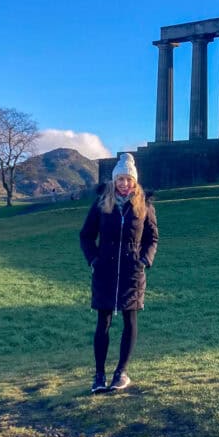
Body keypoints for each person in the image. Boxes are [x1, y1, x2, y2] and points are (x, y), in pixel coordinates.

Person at [80, 153, 158, 393]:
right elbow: (86, 235)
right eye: (120, 179)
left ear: (134, 181)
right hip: (105, 271)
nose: (124, 183)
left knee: (129, 320)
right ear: (114, 180)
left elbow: (152, 237)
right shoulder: (102, 202)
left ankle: (120, 373)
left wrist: (144, 260)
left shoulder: (144, 204)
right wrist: (94, 260)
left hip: (131, 272)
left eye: (127, 178)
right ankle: (99, 376)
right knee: (103, 321)